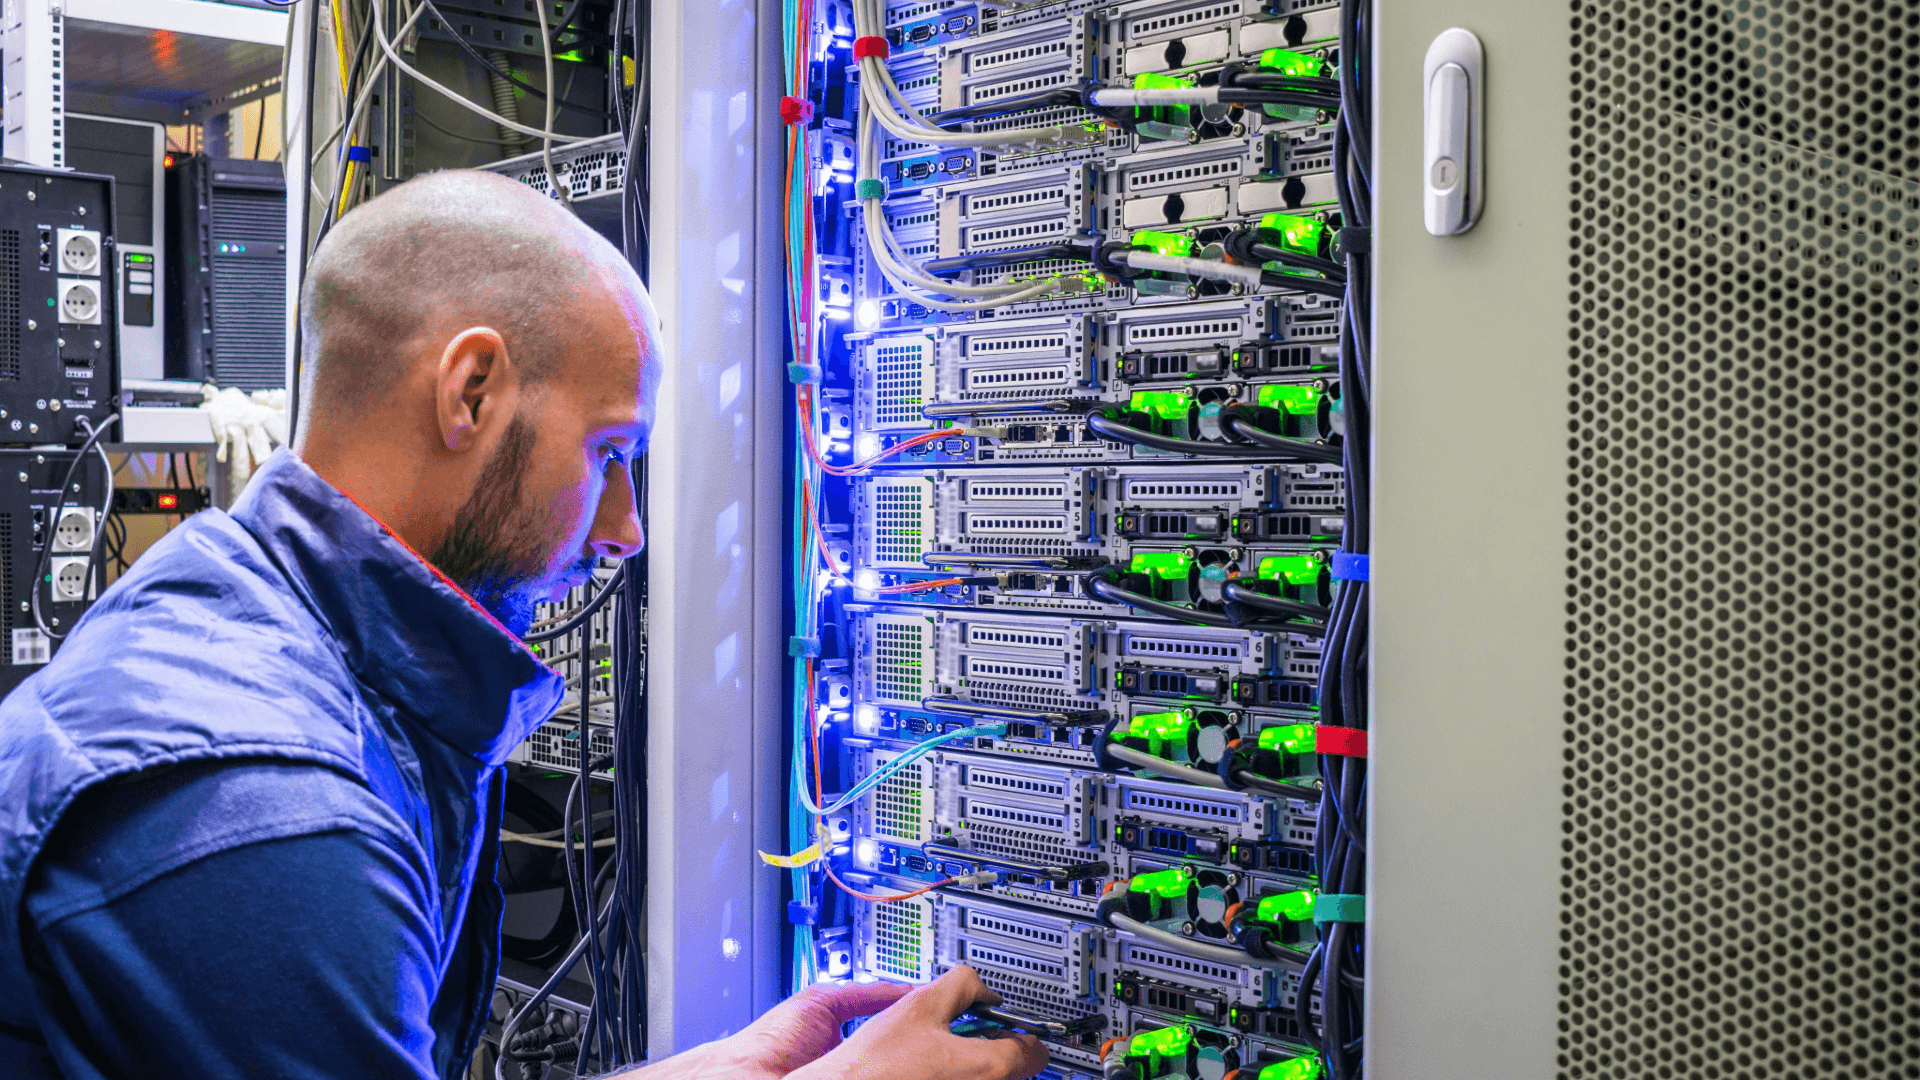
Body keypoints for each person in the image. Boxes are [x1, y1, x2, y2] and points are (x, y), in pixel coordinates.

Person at [0, 171, 1048, 1080]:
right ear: (471, 391)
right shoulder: (267, 811)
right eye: (608, 453)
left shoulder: (246, 621)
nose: (625, 529)